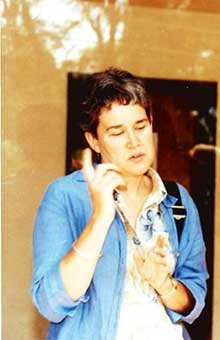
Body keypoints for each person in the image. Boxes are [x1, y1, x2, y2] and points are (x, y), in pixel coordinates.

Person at [31, 68, 208, 340]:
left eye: (141, 126)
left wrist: (165, 285)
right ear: (94, 140)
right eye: (117, 132)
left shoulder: (178, 202)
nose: (134, 142)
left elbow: (193, 303)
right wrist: (100, 220)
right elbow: (50, 304)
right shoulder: (64, 196)